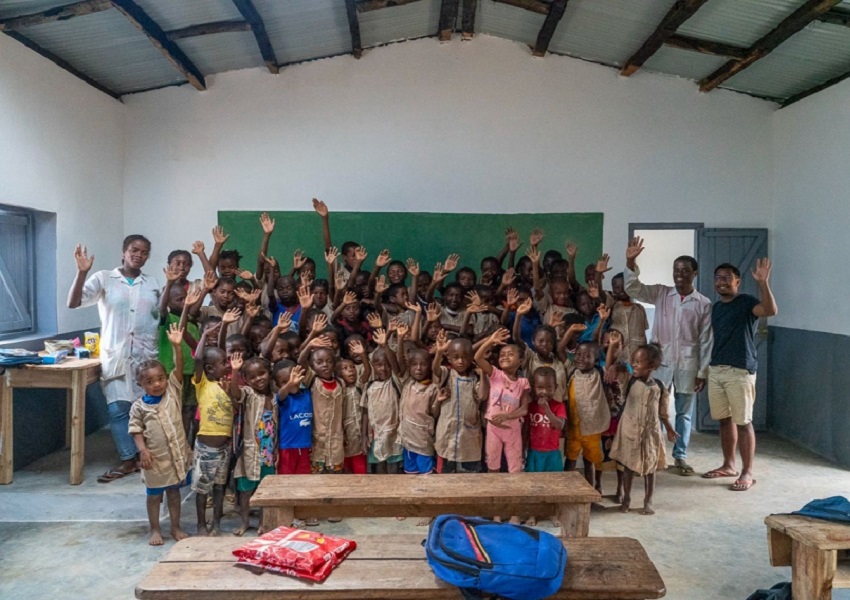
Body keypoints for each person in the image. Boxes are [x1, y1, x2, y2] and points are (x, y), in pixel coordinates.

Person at [67, 236, 162, 483]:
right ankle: (128, 459)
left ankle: (149, 455)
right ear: (124, 251)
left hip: (145, 356)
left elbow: (158, 316)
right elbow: (74, 302)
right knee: (119, 409)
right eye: (134, 250)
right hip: (116, 355)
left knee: (146, 408)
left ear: (148, 256)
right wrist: (81, 273)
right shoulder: (104, 278)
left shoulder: (151, 284)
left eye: (144, 252)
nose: (138, 255)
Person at [624, 236, 713, 475]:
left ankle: (680, 456)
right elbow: (633, 288)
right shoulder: (662, 294)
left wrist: (702, 371)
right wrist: (631, 262)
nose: (679, 274)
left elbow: (705, 340)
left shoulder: (703, 304)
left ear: (694, 273)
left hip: (687, 365)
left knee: (683, 413)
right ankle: (653, 452)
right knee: (654, 409)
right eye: (676, 270)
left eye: (685, 270)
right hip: (660, 364)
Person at [702, 259, 777, 492]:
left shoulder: (746, 303)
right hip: (717, 369)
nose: (722, 282)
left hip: (740, 370)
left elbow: (770, 310)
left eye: (727, 278)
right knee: (724, 420)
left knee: (743, 422)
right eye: (718, 278)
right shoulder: (716, 307)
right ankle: (728, 465)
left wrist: (763, 283)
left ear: (737, 281)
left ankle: (747, 472)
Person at [128, 324, 191, 546]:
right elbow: (135, 430)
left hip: (176, 457)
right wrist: (142, 450)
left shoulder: (173, 391)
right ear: (140, 384)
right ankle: (155, 529)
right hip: (154, 460)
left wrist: (177, 346)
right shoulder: (138, 407)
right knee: (154, 495)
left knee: (174, 494)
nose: (157, 384)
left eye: (160, 379)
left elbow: (179, 367)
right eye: (149, 382)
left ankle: (175, 526)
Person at [610, 344, 678, 515]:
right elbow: (615, 371)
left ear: (652, 366)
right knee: (628, 467)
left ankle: (648, 500)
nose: (634, 365)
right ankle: (626, 498)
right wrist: (617, 361)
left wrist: (669, 429)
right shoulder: (630, 381)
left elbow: (663, 413)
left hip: (650, 433)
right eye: (633, 361)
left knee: (650, 467)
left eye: (639, 362)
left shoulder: (660, 387)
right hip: (630, 430)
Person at [191, 323, 236, 536]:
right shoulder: (203, 384)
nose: (227, 365)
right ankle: (201, 524)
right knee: (202, 488)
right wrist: (206, 335)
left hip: (224, 447)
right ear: (210, 369)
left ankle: (216, 523)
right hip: (206, 448)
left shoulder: (227, 384)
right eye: (222, 363)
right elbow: (198, 359)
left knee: (219, 487)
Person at [230, 355, 276, 536]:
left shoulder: (275, 397)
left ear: (269, 373)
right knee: (245, 490)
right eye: (253, 377)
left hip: (269, 453)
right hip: (250, 452)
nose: (259, 379)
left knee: (265, 491)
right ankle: (245, 522)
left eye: (262, 373)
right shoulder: (249, 394)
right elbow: (235, 393)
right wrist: (234, 371)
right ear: (247, 380)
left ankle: (263, 523)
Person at [432, 334, 486, 473]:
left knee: (469, 477)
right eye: (456, 357)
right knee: (445, 475)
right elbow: (435, 369)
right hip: (446, 434)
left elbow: (482, 395)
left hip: (468, 436)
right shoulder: (447, 374)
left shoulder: (475, 378)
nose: (461, 361)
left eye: (465, 357)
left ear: (471, 358)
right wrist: (439, 352)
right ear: (449, 358)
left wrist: (483, 374)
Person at [564, 341, 611, 489]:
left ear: (596, 360)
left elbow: (610, 365)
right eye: (578, 355)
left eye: (587, 356)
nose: (581, 359)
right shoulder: (572, 373)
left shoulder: (600, 374)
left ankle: (593, 489)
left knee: (590, 460)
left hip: (591, 429)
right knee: (570, 459)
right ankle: (566, 490)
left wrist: (613, 346)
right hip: (573, 428)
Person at [524, 366, 567, 526]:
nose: (544, 391)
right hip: (535, 452)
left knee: (553, 485)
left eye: (549, 387)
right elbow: (526, 429)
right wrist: (523, 448)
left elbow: (559, 425)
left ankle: (552, 513)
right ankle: (533, 514)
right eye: (540, 387)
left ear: (555, 387)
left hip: (552, 452)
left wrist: (547, 410)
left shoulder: (558, 406)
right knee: (533, 485)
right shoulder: (531, 406)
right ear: (534, 387)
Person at [360, 329, 403, 473]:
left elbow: (397, 368)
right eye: (379, 365)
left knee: (394, 468)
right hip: (375, 435)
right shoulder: (370, 385)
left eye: (387, 365)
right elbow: (365, 411)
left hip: (394, 434)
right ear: (373, 366)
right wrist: (364, 435)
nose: (383, 368)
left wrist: (385, 346)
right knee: (379, 468)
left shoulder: (395, 382)